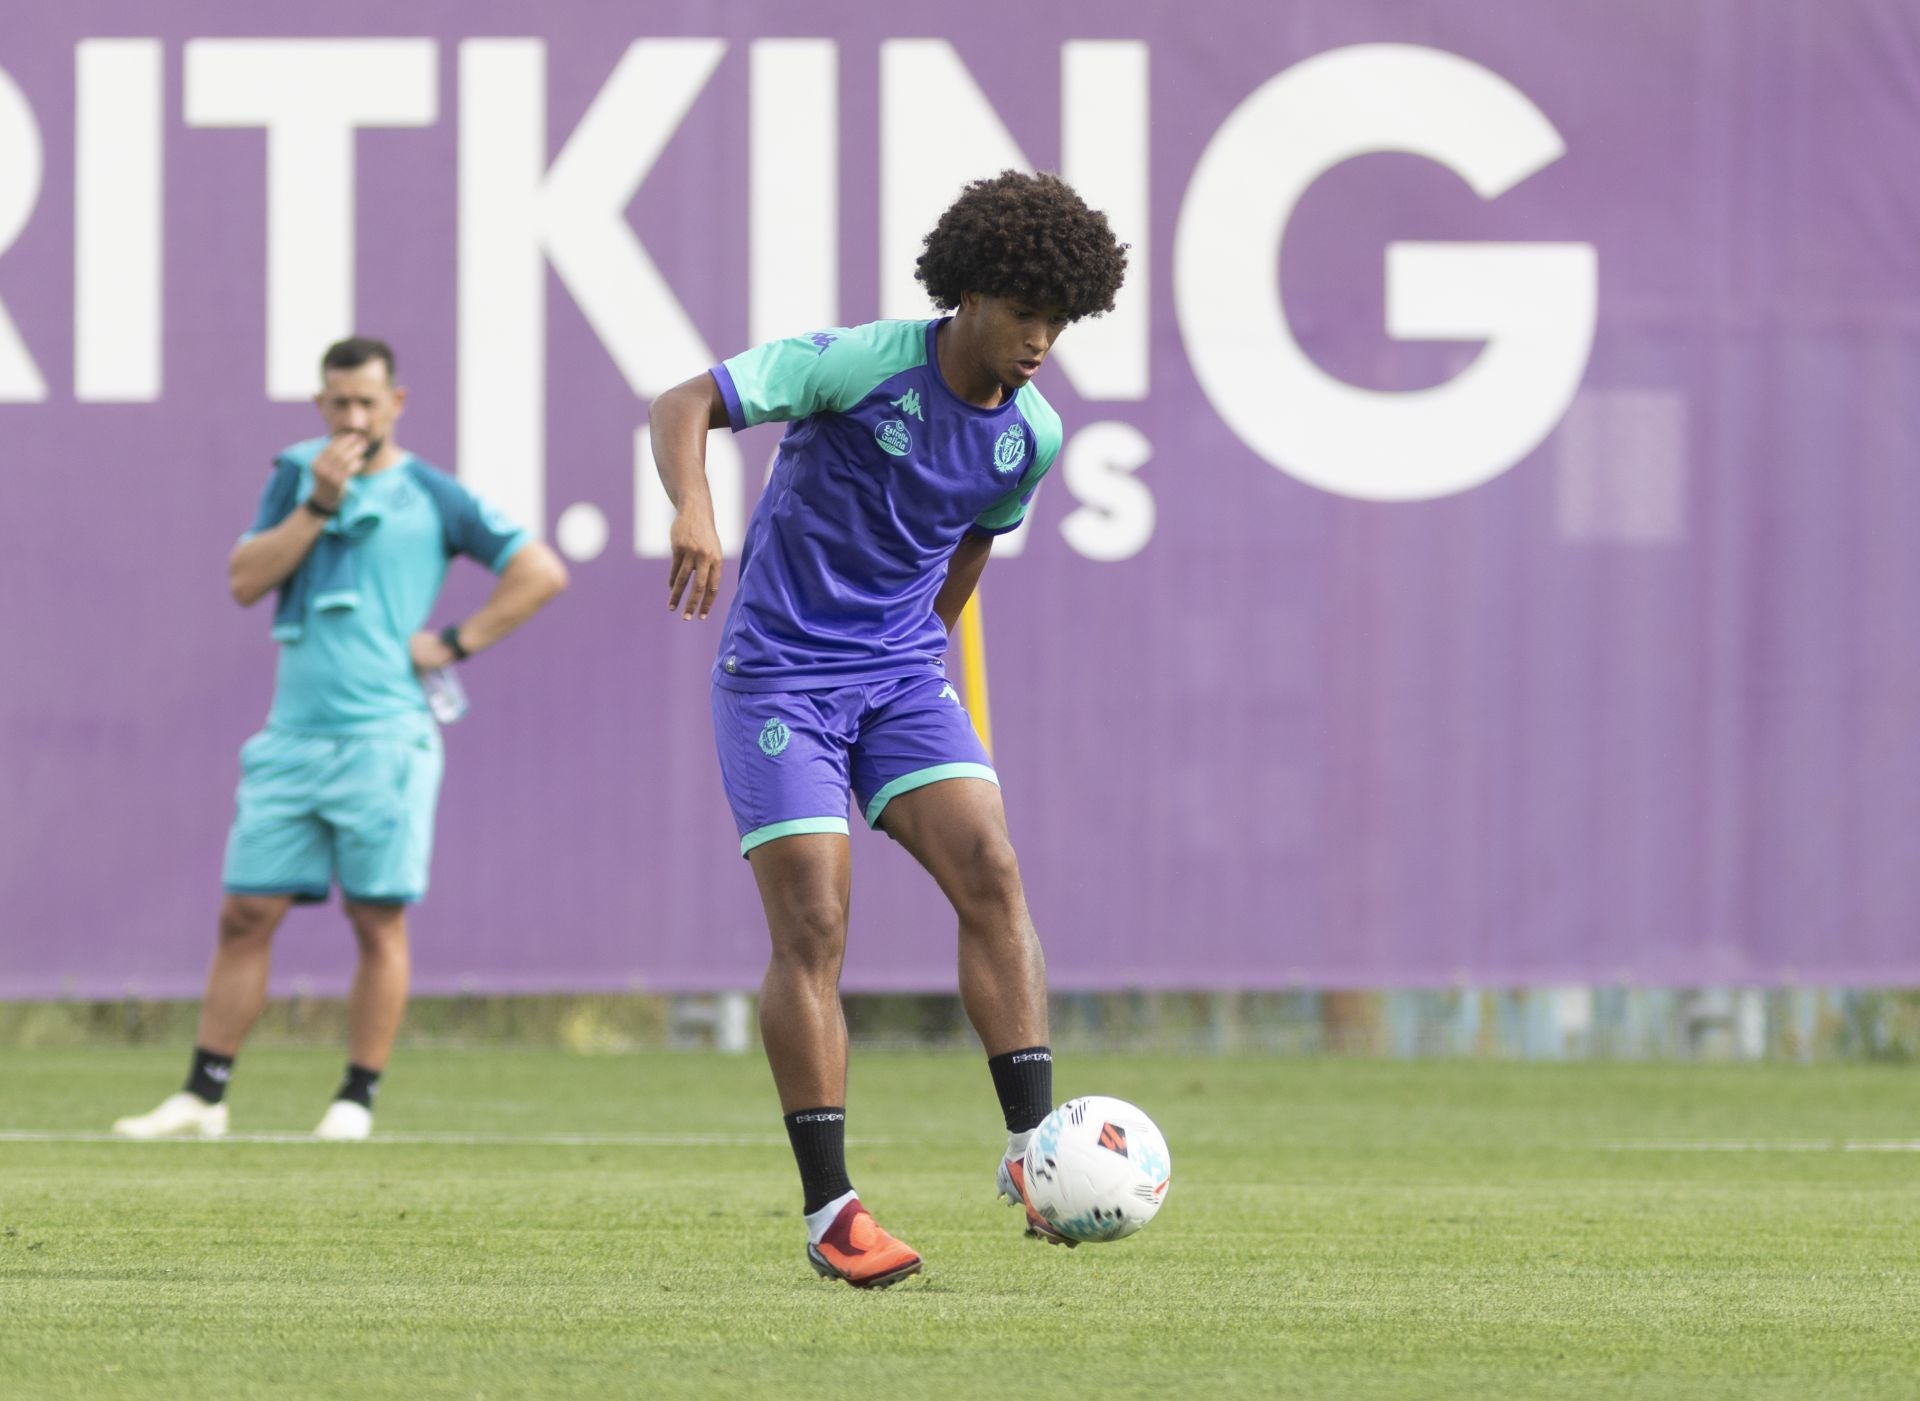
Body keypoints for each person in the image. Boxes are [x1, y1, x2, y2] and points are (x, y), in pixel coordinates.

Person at [649, 171, 1129, 1286]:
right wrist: (695, 507)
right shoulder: (860, 364)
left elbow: (972, 542)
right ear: (970, 294)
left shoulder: (1032, 435)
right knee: (815, 921)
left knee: (992, 871)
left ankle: (1035, 1152)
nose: (1041, 340)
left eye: (1060, 321)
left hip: (900, 678)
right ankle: (832, 1211)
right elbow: (684, 402)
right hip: (780, 679)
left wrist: (921, 656)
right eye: (1025, 313)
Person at [113, 337, 568, 1141]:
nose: (353, 416)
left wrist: (454, 641)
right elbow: (245, 579)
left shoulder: (431, 492)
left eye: (367, 401)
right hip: (292, 737)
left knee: (375, 917)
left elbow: (539, 570)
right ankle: (203, 1095)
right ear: (321, 403)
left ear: (397, 402)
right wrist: (319, 504)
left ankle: (354, 1099)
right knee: (245, 912)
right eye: (339, 402)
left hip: (385, 738)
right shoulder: (296, 474)